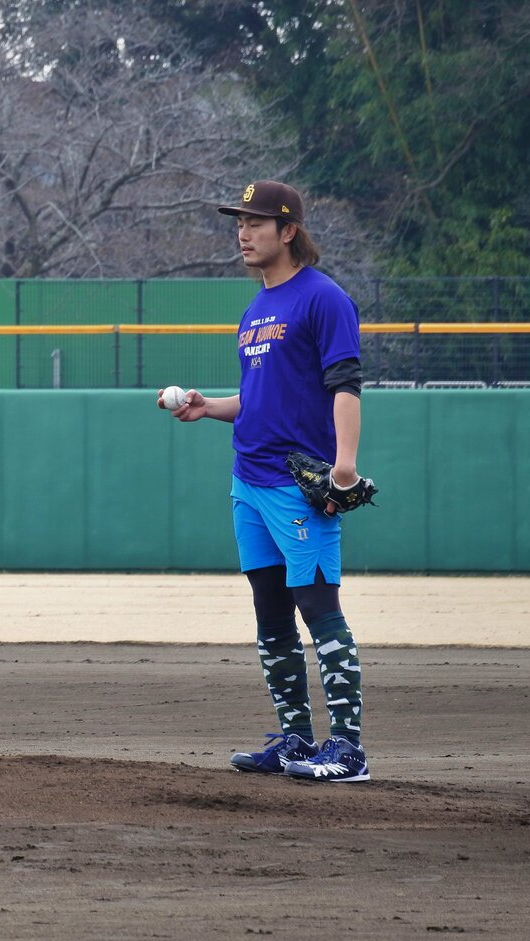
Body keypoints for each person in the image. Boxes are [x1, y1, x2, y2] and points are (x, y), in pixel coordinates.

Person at [162, 180, 370, 782]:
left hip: (297, 482)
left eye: (256, 222)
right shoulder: (255, 310)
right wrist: (210, 407)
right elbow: (258, 400)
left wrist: (344, 467)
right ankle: (297, 741)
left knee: (318, 605)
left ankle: (349, 749)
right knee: (270, 611)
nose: (243, 232)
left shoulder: (322, 299)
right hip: (247, 480)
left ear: (289, 231)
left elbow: (345, 386)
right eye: (239, 222)